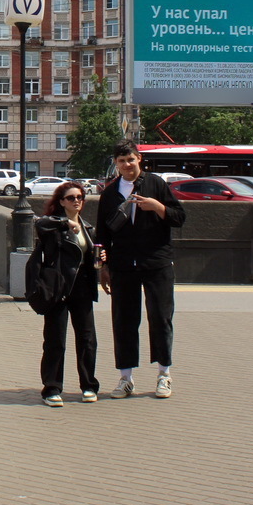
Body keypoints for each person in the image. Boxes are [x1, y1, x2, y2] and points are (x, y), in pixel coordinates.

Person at [94, 141, 186, 399]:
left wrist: (157, 207)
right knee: (124, 320)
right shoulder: (110, 193)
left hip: (156, 262)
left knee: (160, 317)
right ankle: (126, 378)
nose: (127, 165)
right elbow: (102, 234)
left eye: (131, 160)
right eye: (122, 161)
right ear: (116, 163)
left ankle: (164, 375)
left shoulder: (156, 184)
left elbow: (179, 217)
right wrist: (103, 267)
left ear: (139, 159)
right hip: (123, 265)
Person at [30, 180, 102, 407]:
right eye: (71, 198)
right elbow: (40, 223)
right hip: (59, 287)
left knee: (87, 339)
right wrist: (65, 224)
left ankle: (89, 386)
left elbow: (88, 255)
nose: (77, 201)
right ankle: (52, 388)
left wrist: (100, 258)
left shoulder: (87, 228)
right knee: (55, 340)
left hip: (82, 286)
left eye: (80, 197)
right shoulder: (52, 226)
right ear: (61, 202)